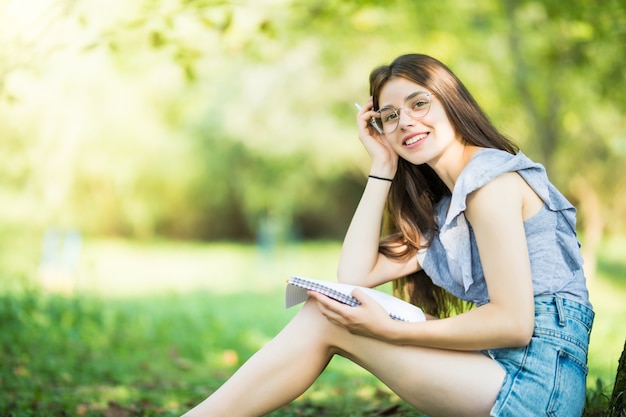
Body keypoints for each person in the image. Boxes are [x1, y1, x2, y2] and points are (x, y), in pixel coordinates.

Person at [182, 53, 594, 417]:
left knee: (327, 319)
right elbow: (355, 274)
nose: (406, 122)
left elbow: (514, 323)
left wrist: (394, 330)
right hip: (500, 366)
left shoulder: (490, 184)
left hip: (539, 386)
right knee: (324, 309)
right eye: (390, 115)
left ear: (451, 101)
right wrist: (382, 165)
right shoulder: (446, 210)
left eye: (419, 103)